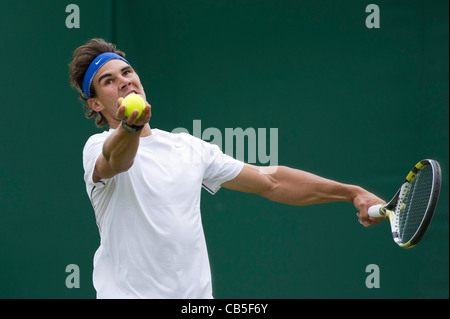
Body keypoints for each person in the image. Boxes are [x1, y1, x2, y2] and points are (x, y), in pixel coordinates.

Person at [69, 38, 385, 299]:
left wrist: (351, 193)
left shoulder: (189, 148)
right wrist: (131, 128)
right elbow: (116, 161)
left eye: (127, 72)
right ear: (95, 103)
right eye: (108, 81)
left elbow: (272, 181)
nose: (124, 81)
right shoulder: (97, 147)